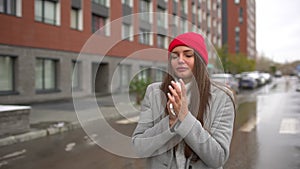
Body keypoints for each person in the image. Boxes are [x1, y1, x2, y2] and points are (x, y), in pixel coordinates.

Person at [132, 32, 236, 169]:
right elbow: (139, 148)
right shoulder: (154, 92)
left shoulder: (223, 98)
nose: (180, 60)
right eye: (175, 56)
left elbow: (218, 158)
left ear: (199, 60)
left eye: (188, 55)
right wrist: (169, 122)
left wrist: (184, 117)